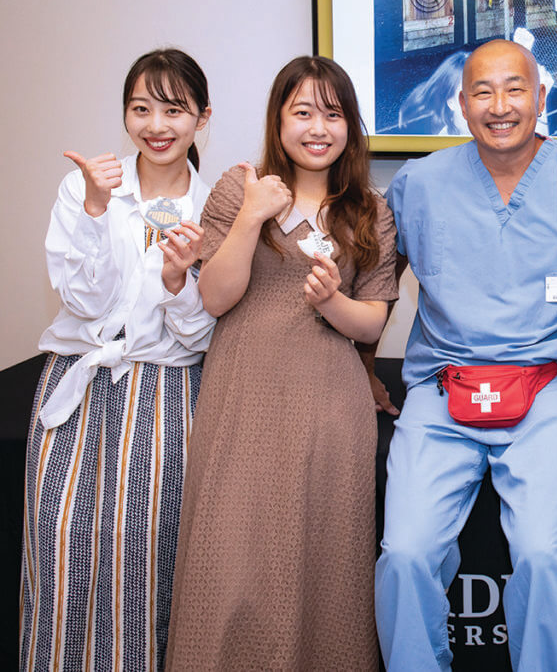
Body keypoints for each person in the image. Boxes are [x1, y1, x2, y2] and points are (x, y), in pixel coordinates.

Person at [372, 39, 557, 671]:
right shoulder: (421, 184)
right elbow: (376, 287)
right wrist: (360, 369)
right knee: (404, 554)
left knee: (545, 558)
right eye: (482, 92)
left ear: (541, 97)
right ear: (460, 104)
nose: (500, 105)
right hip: (443, 386)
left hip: (547, 387)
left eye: (515, 89)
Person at [165, 56, 398, 669]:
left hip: (330, 404)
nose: (318, 127)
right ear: (278, 120)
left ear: (350, 125)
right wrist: (251, 214)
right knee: (230, 557)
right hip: (243, 395)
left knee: (325, 563)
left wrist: (331, 302)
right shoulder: (236, 189)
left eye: (333, 113)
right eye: (302, 112)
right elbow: (214, 298)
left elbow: (373, 321)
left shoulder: (370, 209)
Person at [20, 48, 213, 671]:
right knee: (58, 547)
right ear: (125, 114)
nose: (157, 125)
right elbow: (83, 301)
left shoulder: (214, 209)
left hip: (163, 395)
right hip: (77, 385)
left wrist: (181, 279)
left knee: (146, 558)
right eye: (141, 108)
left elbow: (202, 335)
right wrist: (96, 210)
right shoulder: (85, 188)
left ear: (202, 117)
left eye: (174, 110)